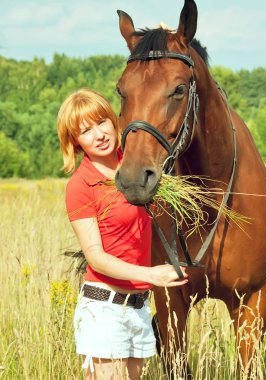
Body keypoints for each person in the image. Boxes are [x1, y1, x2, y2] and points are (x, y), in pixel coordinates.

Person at [57, 88, 189, 380]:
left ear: (115, 121)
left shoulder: (134, 167)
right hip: (104, 310)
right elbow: (96, 257)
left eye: (102, 122)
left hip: (139, 307)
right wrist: (152, 275)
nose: (99, 134)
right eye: (86, 131)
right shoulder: (81, 186)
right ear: (75, 142)